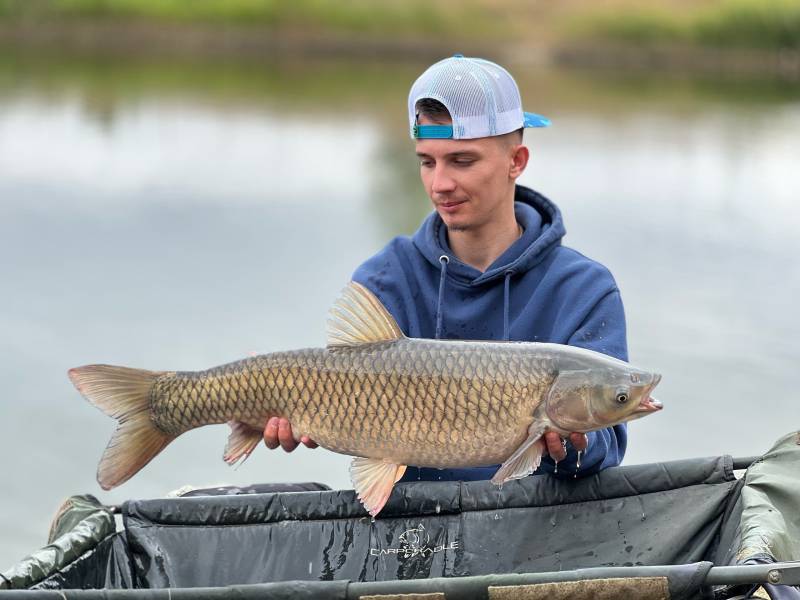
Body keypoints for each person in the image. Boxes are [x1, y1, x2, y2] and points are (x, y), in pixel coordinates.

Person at [263, 55, 628, 481]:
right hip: (410, 533)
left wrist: (568, 445)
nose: (440, 184)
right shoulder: (385, 279)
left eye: (462, 161)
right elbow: (351, 410)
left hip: (536, 532)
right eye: (426, 161)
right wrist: (295, 410)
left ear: (517, 160)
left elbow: (606, 447)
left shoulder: (583, 288)